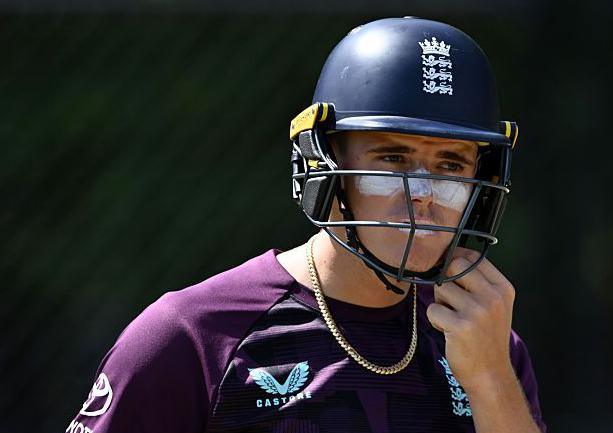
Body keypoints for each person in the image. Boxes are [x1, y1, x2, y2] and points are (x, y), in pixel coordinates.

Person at [65, 17, 547, 433]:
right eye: (392, 157)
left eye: (450, 165)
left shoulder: (484, 340)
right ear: (323, 164)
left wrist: (490, 380)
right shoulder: (192, 335)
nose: (422, 191)